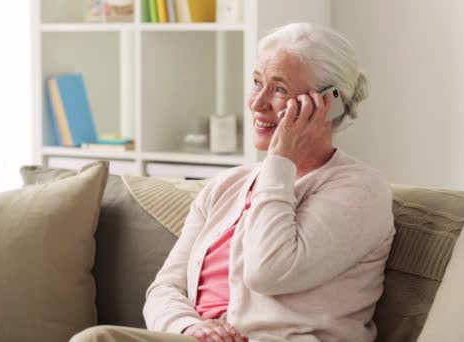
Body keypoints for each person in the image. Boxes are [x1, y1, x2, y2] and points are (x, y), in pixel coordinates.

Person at [71, 22, 395, 342]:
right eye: (257, 82)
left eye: (279, 89)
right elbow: (165, 288)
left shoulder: (360, 190)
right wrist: (189, 327)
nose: (257, 102)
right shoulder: (226, 186)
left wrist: (281, 161)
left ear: (329, 103)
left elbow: (267, 271)